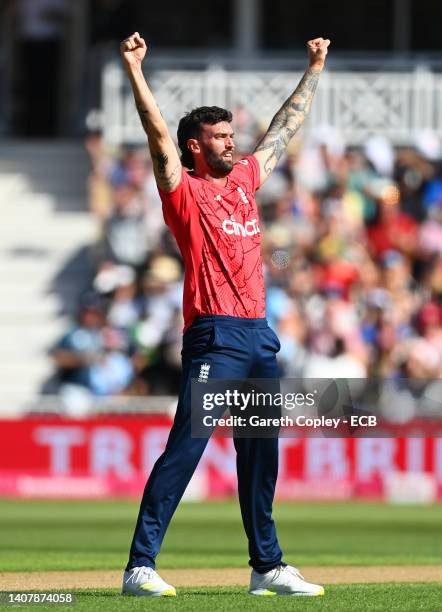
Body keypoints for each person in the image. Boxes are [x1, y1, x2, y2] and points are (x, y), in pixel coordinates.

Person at [120, 31, 330, 598]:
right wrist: (135, 69)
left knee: (261, 453)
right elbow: (156, 132)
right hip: (214, 336)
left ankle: (267, 566)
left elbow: (283, 131)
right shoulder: (183, 192)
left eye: (231, 134)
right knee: (187, 446)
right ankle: (140, 566)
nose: (231, 144)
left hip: (259, 335)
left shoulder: (242, 182)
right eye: (218, 137)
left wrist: (314, 67)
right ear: (196, 146)